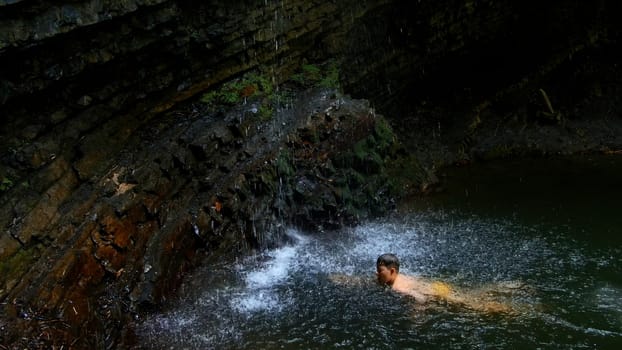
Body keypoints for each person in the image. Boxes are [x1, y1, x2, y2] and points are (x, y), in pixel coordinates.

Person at [375, 253, 521, 314]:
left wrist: (416, 316)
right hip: (438, 285)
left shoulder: (398, 287)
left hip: (437, 292)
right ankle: (504, 287)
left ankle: (511, 309)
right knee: (470, 294)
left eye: (380, 271)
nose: (377, 274)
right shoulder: (402, 277)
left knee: (473, 305)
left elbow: (420, 298)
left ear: (392, 271)